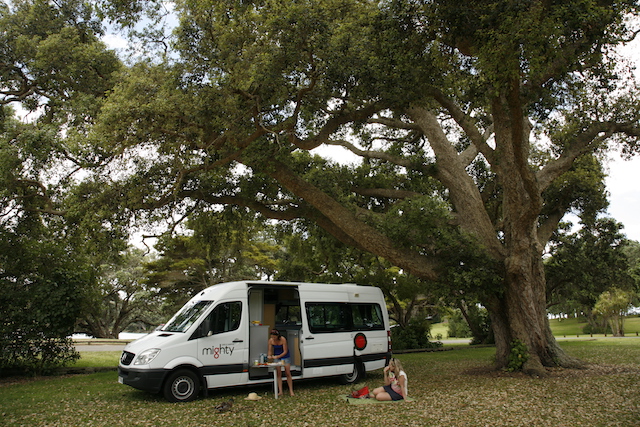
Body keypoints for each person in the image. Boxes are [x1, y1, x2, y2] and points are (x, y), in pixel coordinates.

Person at [268, 329, 294, 396]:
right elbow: (270, 350)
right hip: (277, 356)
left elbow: (285, 351)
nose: (273, 338)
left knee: (287, 373)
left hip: (285, 356)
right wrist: (269, 356)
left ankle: (291, 391)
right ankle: (280, 391)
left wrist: (278, 356)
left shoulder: (283, 339)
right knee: (278, 374)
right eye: (272, 336)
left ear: (277, 336)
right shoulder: (270, 340)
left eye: (274, 336)